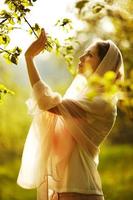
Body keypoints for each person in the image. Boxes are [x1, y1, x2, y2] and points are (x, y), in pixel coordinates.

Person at [17, 28, 124, 200]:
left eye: (89, 55)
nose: (81, 58)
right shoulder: (85, 99)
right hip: (61, 193)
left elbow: (47, 102)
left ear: (104, 64)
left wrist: (29, 58)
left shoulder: (102, 104)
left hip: (81, 193)